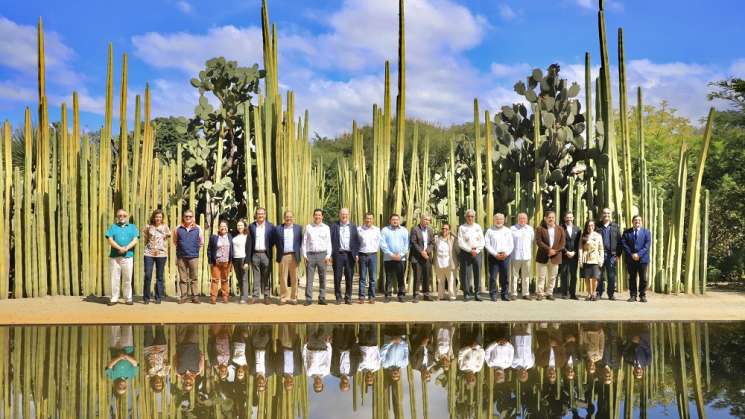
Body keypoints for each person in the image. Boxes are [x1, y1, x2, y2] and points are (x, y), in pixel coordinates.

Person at [105, 209, 139, 306]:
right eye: (120, 215)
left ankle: (128, 298)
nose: (122, 217)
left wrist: (126, 248)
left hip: (128, 256)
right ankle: (114, 298)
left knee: (127, 278)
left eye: (124, 215)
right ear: (117, 217)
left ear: (127, 216)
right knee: (114, 278)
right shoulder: (113, 227)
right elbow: (110, 239)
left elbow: (135, 239)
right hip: (115, 257)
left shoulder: (132, 227)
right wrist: (119, 248)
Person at [330, 208, 361, 305]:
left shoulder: (353, 227)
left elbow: (356, 241)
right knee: (337, 277)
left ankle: (348, 297)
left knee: (349, 276)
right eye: (342, 214)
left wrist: (356, 254)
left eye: (346, 214)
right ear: (339, 215)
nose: (344, 216)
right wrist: (330, 254)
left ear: (349, 215)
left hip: (349, 255)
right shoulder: (334, 226)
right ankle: (338, 297)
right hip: (338, 254)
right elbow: (330, 241)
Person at [173, 210, 204, 304]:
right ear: (183, 217)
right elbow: (175, 241)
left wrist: (193, 249)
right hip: (181, 256)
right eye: (186, 216)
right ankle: (184, 296)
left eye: (190, 216)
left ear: (193, 217)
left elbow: (201, 242)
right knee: (183, 278)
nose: (188, 218)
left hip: (193, 256)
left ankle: (195, 297)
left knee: (194, 277)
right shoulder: (178, 228)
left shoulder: (198, 228)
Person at [303, 209, 332, 305]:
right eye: (316, 215)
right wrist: (304, 254)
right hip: (310, 255)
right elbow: (304, 242)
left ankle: (322, 297)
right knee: (309, 278)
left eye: (319, 215)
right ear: (313, 216)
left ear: (322, 216)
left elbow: (329, 242)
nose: (317, 217)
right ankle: (308, 298)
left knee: (322, 277)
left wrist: (328, 255)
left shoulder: (326, 228)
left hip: (322, 255)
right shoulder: (308, 227)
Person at [535, 211, 566, 301]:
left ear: (555, 218)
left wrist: (555, 251)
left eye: (553, 217)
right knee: (541, 276)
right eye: (549, 217)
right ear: (545, 218)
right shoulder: (540, 229)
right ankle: (540, 293)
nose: (551, 219)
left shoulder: (560, 229)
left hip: (555, 257)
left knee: (552, 276)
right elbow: (539, 242)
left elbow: (562, 243)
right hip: (542, 256)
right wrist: (549, 250)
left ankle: (549, 293)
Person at [142, 209, 170, 304]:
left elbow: (168, 236)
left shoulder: (165, 227)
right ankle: (146, 298)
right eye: (157, 216)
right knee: (148, 275)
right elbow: (145, 238)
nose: (158, 218)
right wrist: (147, 247)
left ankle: (158, 297)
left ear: (162, 218)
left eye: (160, 217)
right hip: (149, 253)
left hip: (161, 254)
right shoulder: (148, 227)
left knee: (159, 276)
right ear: (154, 217)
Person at [621, 215, 652, 303]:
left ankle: (642, 295)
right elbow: (624, 244)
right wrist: (632, 254)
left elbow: (647, 245)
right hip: (631, 259)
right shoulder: (627, 232)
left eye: (639, 220)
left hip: (642, 259)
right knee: (632, 278)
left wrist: (638, 254)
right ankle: (633, 295)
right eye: (635, 220)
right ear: (632, 222)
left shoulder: (646, 232)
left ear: (641, 222)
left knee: (643, 278)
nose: (637, 221)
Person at [248, 207, 276, 305]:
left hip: (265, 254)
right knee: (256, 276)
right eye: (259, 214)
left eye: (262, 213)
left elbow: (272, 241)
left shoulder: (270, 226)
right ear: (256, 215)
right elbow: (249, 242)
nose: (260, 215)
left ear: (265, 215)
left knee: (266, 276)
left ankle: (266, 296)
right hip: (255, 254)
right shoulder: (251, 226)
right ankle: (255, 296)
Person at [275, 210, 303, 305]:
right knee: (283, 277)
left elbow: (301, 241)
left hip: (294, 255)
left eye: (290, 217)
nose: (288, 218)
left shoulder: (298, 228)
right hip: (283, 255)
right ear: (284, 218)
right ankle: (283, 297)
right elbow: (275, 241)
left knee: (294, 277)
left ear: (293, 218)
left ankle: (294, 297)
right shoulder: (278, 228)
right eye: (287, 217)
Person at [457, 209, 485, 301]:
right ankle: (467, 293)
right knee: (465, 274)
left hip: (477, 253)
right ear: (465, 217)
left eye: (472, 216)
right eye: (468, 216)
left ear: (474, 217)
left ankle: (477, 293)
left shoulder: (478, 227)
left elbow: (482, 241)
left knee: (477, 273)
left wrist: (476, 251)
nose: (470, 218)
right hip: (465, 253)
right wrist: (469, 250)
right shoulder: (462, 227)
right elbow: (460, 242)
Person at [484, 213, 514, 302]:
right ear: (494, 220)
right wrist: (495, 254)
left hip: (505, 256)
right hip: (493, 256)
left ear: (504, 220)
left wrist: (506, 254)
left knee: (505, 276)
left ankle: (505, 295)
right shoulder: (489, 231)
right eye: (497, 219)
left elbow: (511, 245)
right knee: (493, 276)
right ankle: (493, 294)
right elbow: (487, 244)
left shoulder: (508, 231)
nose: (499, 221)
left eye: (501, 219)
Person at [380, 214, 409, 303]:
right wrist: (391, 255)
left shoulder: (404, 230)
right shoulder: (385, 230)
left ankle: (401, 295)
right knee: (388, 277)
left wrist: (400, 255)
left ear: (399, 221)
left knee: (401, 277)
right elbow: (382, 244)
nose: (395, 221)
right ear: (390, 221)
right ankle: (388, 295)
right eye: (393, 219)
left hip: (401, 258)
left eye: (397, 219)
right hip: (388, 258)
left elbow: (407, 244)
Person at [596, 208, 622, 300]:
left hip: (611, 255)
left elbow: (619, 241)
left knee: (611, 275)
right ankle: (599, 292)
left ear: (610, 214)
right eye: (604, 213)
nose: (606, 215)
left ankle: (611, 294)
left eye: (608, 213)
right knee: (599, 275)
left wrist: (618, 255)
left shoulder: (615, 226)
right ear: (602, 214)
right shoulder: (597, 226)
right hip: (600, 254)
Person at [105, 325, 138, 397]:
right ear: (126, 386)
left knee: (114, 325)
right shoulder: (131, 375)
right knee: (127, 325)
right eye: (124, 388)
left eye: (119, 388)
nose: (122, 386)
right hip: (128, 346)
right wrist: (126, 356)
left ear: (115, 386)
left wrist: (119, 358)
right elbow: (135, 363)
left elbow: (110, 365)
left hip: (115, 346)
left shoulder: (111, 376)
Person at [410, 214, 435, 302]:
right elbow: (413, 242)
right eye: (425, 219)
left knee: (427, 276)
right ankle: (416, 295)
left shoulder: (430, 230)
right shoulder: (415, 229)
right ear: (421, 219)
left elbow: (432, 243)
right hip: (417, 257)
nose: (427, 221)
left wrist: (427, 251)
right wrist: (421, 252)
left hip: (427, 256)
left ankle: (426, 295)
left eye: (428, 220)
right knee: (417, 276)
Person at [207, 220, 233, 304]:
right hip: (216, 262)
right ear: (218, 228)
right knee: (215, 280)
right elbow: (209, 250)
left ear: (227, 228)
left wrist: (231, 260)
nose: (223, 228)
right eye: (221, 226)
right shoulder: (214, 237)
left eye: (225, 226)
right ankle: (213, 298)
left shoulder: (230, 237)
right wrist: (210, 260)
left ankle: (225, 297)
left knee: (225, 280)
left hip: (226, 262)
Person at [357, 212, 381, 304]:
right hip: (362, 254)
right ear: (364, 219)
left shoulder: (377, 230)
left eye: (370, 218)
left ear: (373, 219)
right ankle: (362, 296)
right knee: (362, 277)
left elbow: (379, 241)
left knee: (373, 278)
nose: (368, 220)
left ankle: (371, 297)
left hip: (373, 255)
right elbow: (356, 242)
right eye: (367, 218)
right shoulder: (359, 229)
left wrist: (375, 249)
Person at [510, 213, 534, 300]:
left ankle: (526, 293)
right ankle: (514, 293)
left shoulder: (530, 229)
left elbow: (531, 240)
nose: (522, 220)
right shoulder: (512, 229)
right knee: (514, 276)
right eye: (521, 218)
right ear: (518, 219)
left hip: (527, 256)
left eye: (524, 218)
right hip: (515, 256)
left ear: (527, 220)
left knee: (526, 275)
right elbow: (510, 242)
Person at [579, 220, 604, 301]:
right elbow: (580, 248)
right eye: (589, 225)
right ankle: (589, 293)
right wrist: (580, 259)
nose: (590, 227)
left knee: (595, 277)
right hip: (585, 258)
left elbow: (601, 248)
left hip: (595, 258)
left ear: (594, 226)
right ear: (586, 226)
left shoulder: (598, 236)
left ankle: (593, 293)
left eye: (592, 225)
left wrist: (601, 259)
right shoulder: (583, 235)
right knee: (587, 277)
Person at [303, 325, 333, 393]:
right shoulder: (326, 372)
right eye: (319, 386)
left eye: (316, 386)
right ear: (322, 384)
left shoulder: (309, 373)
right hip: (322, 346)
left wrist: (305, 345)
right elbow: (329, 357)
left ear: (314, 385)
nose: (318, 384)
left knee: (311, 325)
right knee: (323, 325)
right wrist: (328, 344)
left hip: (311, 346)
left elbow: (305, 359)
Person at [175, 325, 205, 392]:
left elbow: (175, 357)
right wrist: (195, 349)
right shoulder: (198, 370)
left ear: (183, 382)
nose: (188, 382)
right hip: (193, 342)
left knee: (181, 324)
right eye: (190, 384)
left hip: (181, 343)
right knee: (193, 324)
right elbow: (202, 356)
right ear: (193, 383)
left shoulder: (178, 372)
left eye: (186, 384)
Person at [434, 223, 459, 301]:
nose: (444, 230)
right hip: (439, 261)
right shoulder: (437, 238)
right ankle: (441, 296)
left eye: (446, 229)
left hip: (450, 262)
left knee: (451, 280)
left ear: (449, 230)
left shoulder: (453, 239)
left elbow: (457, 250)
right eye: (443, 228)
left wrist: (458, 262)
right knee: (440, 280)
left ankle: (452, 296)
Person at [143, 325, 169, 393]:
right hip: (161, 348)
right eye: (160, 385)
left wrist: (151, 371)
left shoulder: (147, 374)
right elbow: (166, 361)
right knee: (160, 328)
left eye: (156, 385)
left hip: (148, 349)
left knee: (148, 329)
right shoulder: (165, 373)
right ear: (162, 383)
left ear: (153, 385)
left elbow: (145, 361)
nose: (158, 384)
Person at [560, 212, 580, 300]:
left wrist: (575, 252)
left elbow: (578, 243)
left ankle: (573, 294)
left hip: (574, 256)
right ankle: (565, 293)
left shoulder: (577, 229)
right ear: (564, 218)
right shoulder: (560, 228)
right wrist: (566, 251)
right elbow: (559, 242)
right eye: (567, 217)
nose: (569, 219)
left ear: (573, 218)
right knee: (564, 274)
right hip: (564, 255)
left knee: (573, 275)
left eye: (570, 217)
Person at [232, 219, 250, 304]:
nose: (239, 227)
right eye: (238, 225)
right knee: (239, 279)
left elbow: (249, 249)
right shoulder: (234, 236)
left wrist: (247, 262)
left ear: (244, 226)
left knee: (244, 279)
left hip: (243, 258)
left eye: (241, 225)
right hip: (235, 259)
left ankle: (244, 297)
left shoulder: (247, 236)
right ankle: (242, 295)